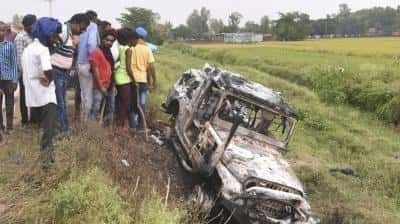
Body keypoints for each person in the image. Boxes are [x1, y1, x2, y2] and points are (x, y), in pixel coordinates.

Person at [22, 17, 62, 168]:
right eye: (54, 35)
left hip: (33, 95)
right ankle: (46, 162)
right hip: (46, 96)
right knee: (49, 130)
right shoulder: (43, 50)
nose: (56, 38)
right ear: (46, 34)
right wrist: (49, 79)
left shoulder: (29, 49)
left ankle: (46, 159)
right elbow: (47, 69)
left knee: (43, 129)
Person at [51, 13, 89, 136]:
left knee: (63, 102)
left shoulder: (72, 34)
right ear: (74, 22)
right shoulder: (62, 31)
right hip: (56, 71)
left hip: (63, 72)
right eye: (82, 27)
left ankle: (64, 128)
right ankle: (61, 130)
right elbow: (50, 48)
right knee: (60, 102)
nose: (83, 30)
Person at [127, 27, 156, 130]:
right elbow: (151, 67)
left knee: (131, 103)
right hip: (143, 82)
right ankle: (141, 127)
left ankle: (132, 126)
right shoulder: (147, 49)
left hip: (131, 80)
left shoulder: (131, 47)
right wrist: (153, 82)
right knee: (142, 104)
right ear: (143, 37)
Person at [14, 14, 37, 125]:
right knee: (24, 96)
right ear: (26, 25)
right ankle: (24, 120)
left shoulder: (33, 36)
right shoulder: (20, 38)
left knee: (34, 95)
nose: (35, 26)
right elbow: (19, 58)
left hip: (34, 72)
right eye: (33, 25)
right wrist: (25, 73)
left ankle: (34, 118)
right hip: (25, 73)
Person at [77, 11, 99, 120]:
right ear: (93, 19)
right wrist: (93, 60)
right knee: (89, 94)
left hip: (79, 63)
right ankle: (86, 121)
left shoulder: (80, 27)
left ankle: (82, 118)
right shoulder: (92, 26)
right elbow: (91, 44)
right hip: (87, 63)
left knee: (83, 93)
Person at [89, 30, 115, 120]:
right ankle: (90, 128)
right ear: (103, 40)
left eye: (112, 41)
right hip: (98, 86)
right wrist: (101, 87)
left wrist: (112, 86)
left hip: (109, 85)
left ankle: (106, 130)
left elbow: (111, 70)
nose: (109, 43)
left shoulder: (109, 54)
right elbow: (95, 71)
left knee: (110, 108)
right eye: (107, 40)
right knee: (96, 107)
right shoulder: (96, 52)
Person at [114, 28, 136, 127]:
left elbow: (118, 62)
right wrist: (134, 80)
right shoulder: (129, 50)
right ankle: (121, 125)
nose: (136, 42)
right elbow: (128, 68)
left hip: (117, 76)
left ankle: (118, 122)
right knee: (125, 104)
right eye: (135, 39)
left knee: (119, 102)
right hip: (124, 79)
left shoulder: (121, 48)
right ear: (130, 39)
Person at [0, 21, 18, 133]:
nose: (1, 32)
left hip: (8, 79)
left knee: (9, 103)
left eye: (3, 30)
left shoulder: (10, 45)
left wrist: (15, 80)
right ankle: (1, 127)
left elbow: (14, 63)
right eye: (0, 30)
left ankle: (10, 127)